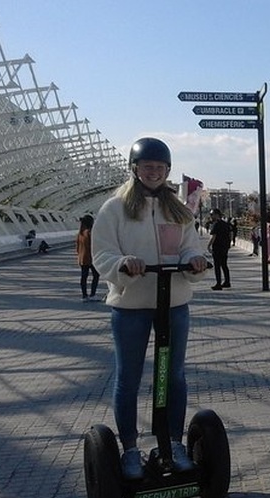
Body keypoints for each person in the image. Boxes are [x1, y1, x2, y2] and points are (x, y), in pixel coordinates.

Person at [91, 137, 209, 480]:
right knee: (129, 377)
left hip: (173, 303)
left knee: (174, 376)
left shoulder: (179, 210)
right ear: (135, 169)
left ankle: (173, 443)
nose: (154, 172)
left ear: (168, 170)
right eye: (148, 167)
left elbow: (188, 248)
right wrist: (123, 264)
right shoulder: (115, 208)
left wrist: (194, 261)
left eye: (160, 167)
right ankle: (129, 449)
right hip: (131, 306)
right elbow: (102, 253)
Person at [76, 215, 100, 302]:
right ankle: (92, 294)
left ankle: (84, 295)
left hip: (83, 258)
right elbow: (93, 246)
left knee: (84, 277)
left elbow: (77, 247)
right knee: (96, 276)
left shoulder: (80, 233)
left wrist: (79, 256)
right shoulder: (90, 232)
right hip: (91, 258)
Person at [207, 208, 232, 290]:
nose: (210, 216)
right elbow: (230, 234)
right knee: (224, 265)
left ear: (217, 215)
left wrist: (208, 245)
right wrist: (229, 244)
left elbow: (213, 236)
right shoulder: (225, 224)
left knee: (217, 266)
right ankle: (227, 282)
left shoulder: (216, 224)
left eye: (212, 214)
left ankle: (218, 284)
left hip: (217, 247)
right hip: (225, 247)